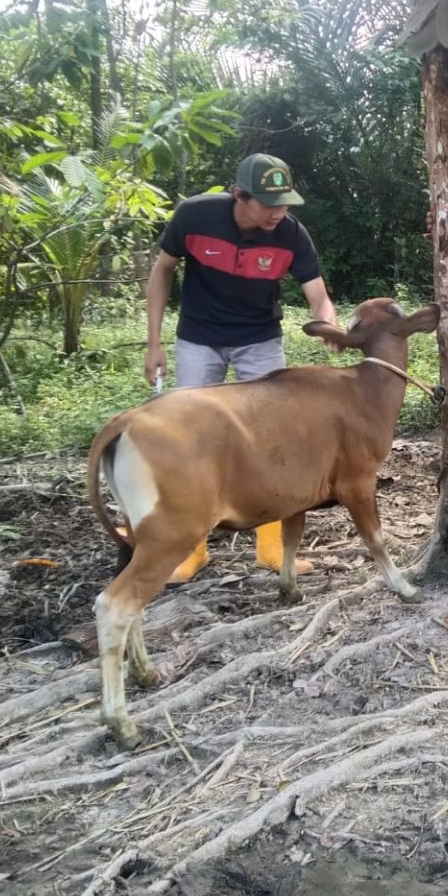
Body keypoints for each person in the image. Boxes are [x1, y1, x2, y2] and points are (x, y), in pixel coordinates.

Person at [144, 152, 339, 582]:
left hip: (259, 342)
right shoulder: (195, 216)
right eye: (269, 204)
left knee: (274, 440)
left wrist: (327, 320)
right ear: (239, 195)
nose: (279, 212)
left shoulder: (290, 234)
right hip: (199, 339)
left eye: (285, 203)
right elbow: (162, 273)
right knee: (191, 441)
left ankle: (270, 548)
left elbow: (317, 293)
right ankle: (191, 550)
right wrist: (154, 342)